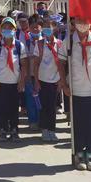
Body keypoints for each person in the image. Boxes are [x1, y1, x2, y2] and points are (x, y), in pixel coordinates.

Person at [58, 17, 91, 172]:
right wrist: (63, 84)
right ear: (73, 23)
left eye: (85, 21)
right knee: (78, 126)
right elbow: (60, 63)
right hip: (75, 92)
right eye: (78, 21)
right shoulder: (69, 41)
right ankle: (79, 155)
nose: (82, 24)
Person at [0, 16, 27, 142]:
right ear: (1, 30)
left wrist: (22, 81)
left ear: (14, 29)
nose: (7, 30)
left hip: (15, 83)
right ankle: (3, 129)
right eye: (4, 27)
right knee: (2, 107)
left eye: (10, 27)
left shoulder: (19, 46)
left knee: (13, 108)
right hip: (1, 83)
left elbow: (23, 65)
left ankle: (14, 129)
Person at [33, 14, 62, 142]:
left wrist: (62, 80)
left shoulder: (60, 44)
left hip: (55, 80)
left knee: (53, 107)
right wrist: (36, 81)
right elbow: (36, 63)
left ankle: (52, 130)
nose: (46, 29)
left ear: (54, 27)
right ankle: (44, 130)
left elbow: (62, 64)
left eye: (48, 27)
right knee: (45, 106)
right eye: (44, 27)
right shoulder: (39, 44)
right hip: (43, 80)